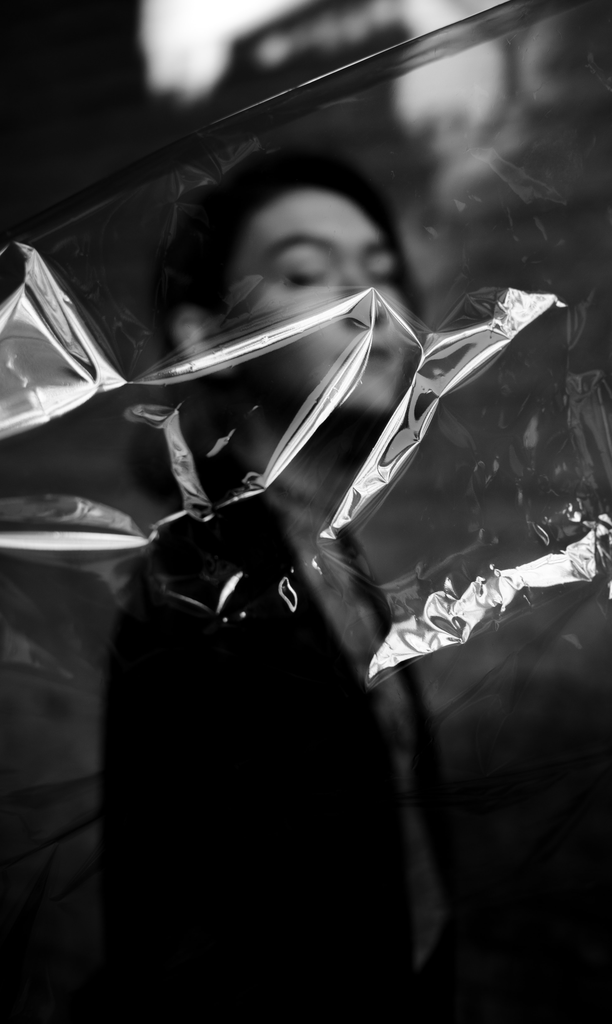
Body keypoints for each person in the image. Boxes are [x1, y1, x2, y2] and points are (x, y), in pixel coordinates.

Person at [103, 155, 429, 1020]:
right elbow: (178, 915)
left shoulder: (326, 543)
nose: (372, 302)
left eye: (383, 268)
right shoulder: (198, 586)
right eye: (306, 272)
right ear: (209, 338)